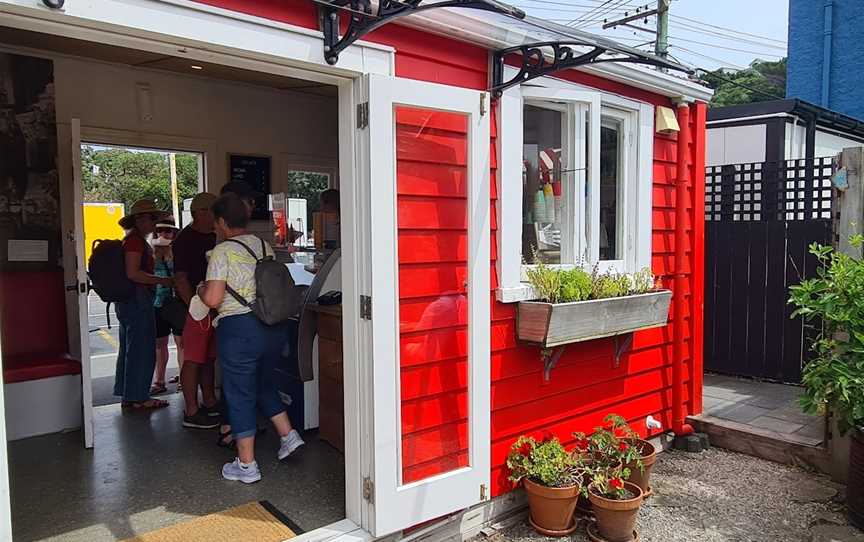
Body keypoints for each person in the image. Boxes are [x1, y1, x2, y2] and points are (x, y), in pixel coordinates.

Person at [199, 193, 304, 483]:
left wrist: (200, 291)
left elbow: (214, 298)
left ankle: (246, 465)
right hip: (272, 326)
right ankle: (288, 435)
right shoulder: (263, 245)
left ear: (221, 221)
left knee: (239, 392)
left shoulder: (222, 252)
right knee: (263, 382)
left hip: (240, 330)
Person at [114, 199, 173, 410]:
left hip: (128, 300)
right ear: (139, 220)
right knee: (141, 349)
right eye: (151, 219)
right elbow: (133, 273)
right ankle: (139, 396)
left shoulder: (132, 240)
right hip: (137, 299)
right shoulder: (135, 242)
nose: (154, 223)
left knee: (130, 348)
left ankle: (129, 393)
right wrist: (162, 280)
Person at [174, 192, 221, 429]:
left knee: (209, 358)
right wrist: (195, 308)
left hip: (212, 305)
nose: (217, 216)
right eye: (214, 211)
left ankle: (210, 401)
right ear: (200, 213)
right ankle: (191, 410)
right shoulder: (184, 239)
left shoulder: (214, 237)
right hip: (195, 308)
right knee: (193, 359)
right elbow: (180, 278)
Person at [151, 219, 183, 395]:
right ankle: (159, 380)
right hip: (157, 304)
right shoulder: (150, 254)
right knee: (159, 344)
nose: (164, 234)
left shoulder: (179, 253)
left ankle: (184, 378)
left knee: (181, 343)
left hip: (175, 304)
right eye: (160, 231)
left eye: (168, 231)